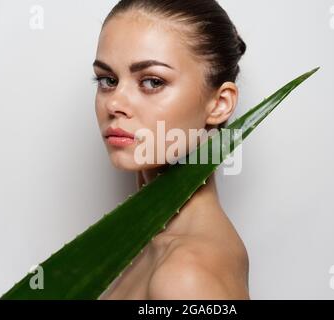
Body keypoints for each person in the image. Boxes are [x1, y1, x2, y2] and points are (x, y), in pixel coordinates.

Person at [93, 0, 249, 299]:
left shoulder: (185, 277)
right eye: (107, 80)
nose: (114, 103)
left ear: (219, 104)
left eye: (152, 81)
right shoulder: (146, 242)